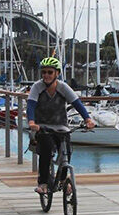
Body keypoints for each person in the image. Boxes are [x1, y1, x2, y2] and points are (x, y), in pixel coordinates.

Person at [27, 57, 95, 194]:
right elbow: (31, 105)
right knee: (46, 151)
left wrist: (88, 119)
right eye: (44, 72)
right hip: (42, 127)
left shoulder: (63, 87)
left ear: (57, 73)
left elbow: (77, 104)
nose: (46, 75)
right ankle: (43, 183)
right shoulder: (37, 87)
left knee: (67, 152)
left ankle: (63, 180)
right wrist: (31, 122)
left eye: (50, 72)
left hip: (61, 127)